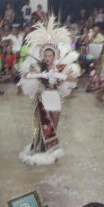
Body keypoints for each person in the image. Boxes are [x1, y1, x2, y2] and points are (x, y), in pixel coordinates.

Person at [18, 16, 80, 165]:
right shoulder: (39, 67)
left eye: (50, 55)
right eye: (45, 55)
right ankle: (41, 148)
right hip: (44, 97)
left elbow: (71, 78)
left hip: (56, 98)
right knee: (45, 124)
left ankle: (51, 149)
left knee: (54, 124)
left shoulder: (59, 67)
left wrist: (62, 76)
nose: (47, 58)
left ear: (54, 56)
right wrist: (41, 75)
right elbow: (26, 75)